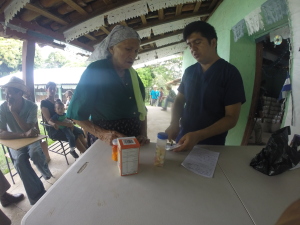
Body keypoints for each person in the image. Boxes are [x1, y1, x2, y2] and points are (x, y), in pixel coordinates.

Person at [165, 21, 246, 151]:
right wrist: (174, 124)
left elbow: (231, 118)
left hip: (212, 144)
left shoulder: (230, 73)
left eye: (198, 42)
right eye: (190, 45)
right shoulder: (189, 72)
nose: (193, 49)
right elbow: (179, 100)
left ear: (213, 43)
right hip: (183, 138)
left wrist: (198, 135)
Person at [66, 25, 149, 146]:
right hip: (107, 140)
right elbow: (76, 115)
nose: (133, 55)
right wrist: (102, 134)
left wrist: (143, 133)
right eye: (128, 49)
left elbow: (142, 110)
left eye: (136, 51)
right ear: (111, 49)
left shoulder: (133, 75)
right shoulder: (96, 70)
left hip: (133, 138)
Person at [0, 77, 52, 205]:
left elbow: (29, 129)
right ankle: (37, 196)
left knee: (34, 152)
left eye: (10, 91)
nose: (7, 95)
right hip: (16, 140)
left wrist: (15, 114)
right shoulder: (2, 107)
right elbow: (1, 132)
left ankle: (45, 171)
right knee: (20, 162)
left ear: (20, 93)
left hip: (31, 139)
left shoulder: (31, 106)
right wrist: (22, 134)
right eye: (5, 91)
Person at [41, 82, 87, 153]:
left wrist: (71, 120)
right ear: (46, 90)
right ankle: (86, 155)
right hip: (54, 129)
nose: (53, 90)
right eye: (50, 89)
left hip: (65, 126)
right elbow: (50, 120)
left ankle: (87, 151)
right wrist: (67, 124)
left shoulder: (57, 101)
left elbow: (63, 114)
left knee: (80, 133)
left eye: (54, 89)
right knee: (74, 137)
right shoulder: (44, 103)